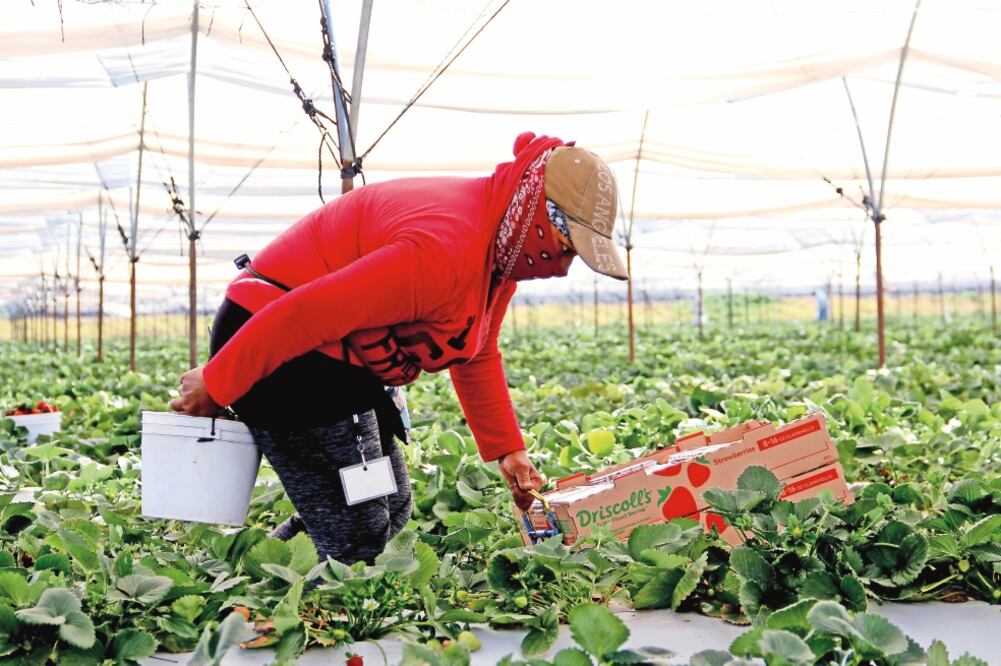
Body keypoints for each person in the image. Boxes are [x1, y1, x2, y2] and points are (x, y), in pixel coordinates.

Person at [170, 131, 629, 564]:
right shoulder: (443, 248)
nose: (564, 267)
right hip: (283, 353)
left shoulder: (497, 247)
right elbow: (304, 313)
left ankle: (268, 564)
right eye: (568, 249)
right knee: (361, 530)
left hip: (337, 359)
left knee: (392, 503)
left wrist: (508, 450)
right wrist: (218, 382)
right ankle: (281, 607)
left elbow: (477, 350)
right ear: (537, 214)